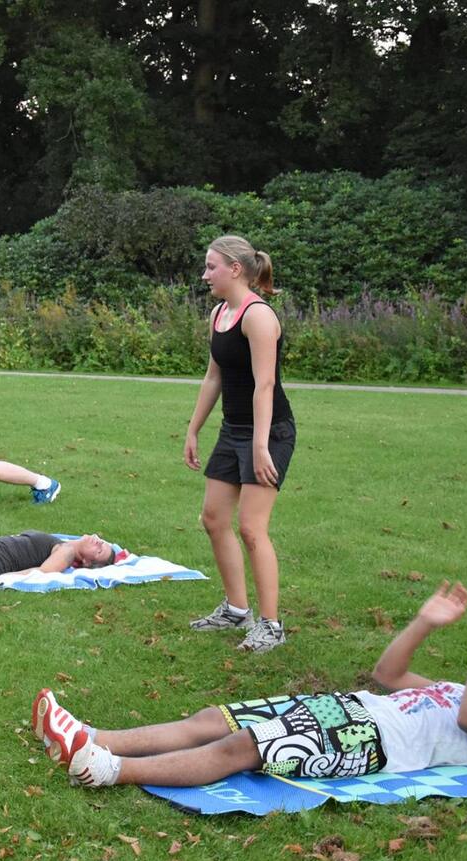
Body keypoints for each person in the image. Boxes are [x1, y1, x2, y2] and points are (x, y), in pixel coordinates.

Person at [31, 581, 467, 789]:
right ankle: (93, 735)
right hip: (350, 707)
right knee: (213, 719)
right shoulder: (462, 688)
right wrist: (425, 624)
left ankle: (108, 770)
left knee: (242, 747)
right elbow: (387, 677)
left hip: (372, 742)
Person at [183, 235, 297, 654]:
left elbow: (264, 385)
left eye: (211, 266)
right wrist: (194, 429)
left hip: (270, 431)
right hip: (234, 430)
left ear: (235, 269)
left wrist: (262, 446)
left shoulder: (259, 317)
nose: (204, 274)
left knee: (251, 528)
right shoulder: (219, 312)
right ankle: (236, 610)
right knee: (214, 518)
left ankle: (271, 625)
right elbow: (215, 377)